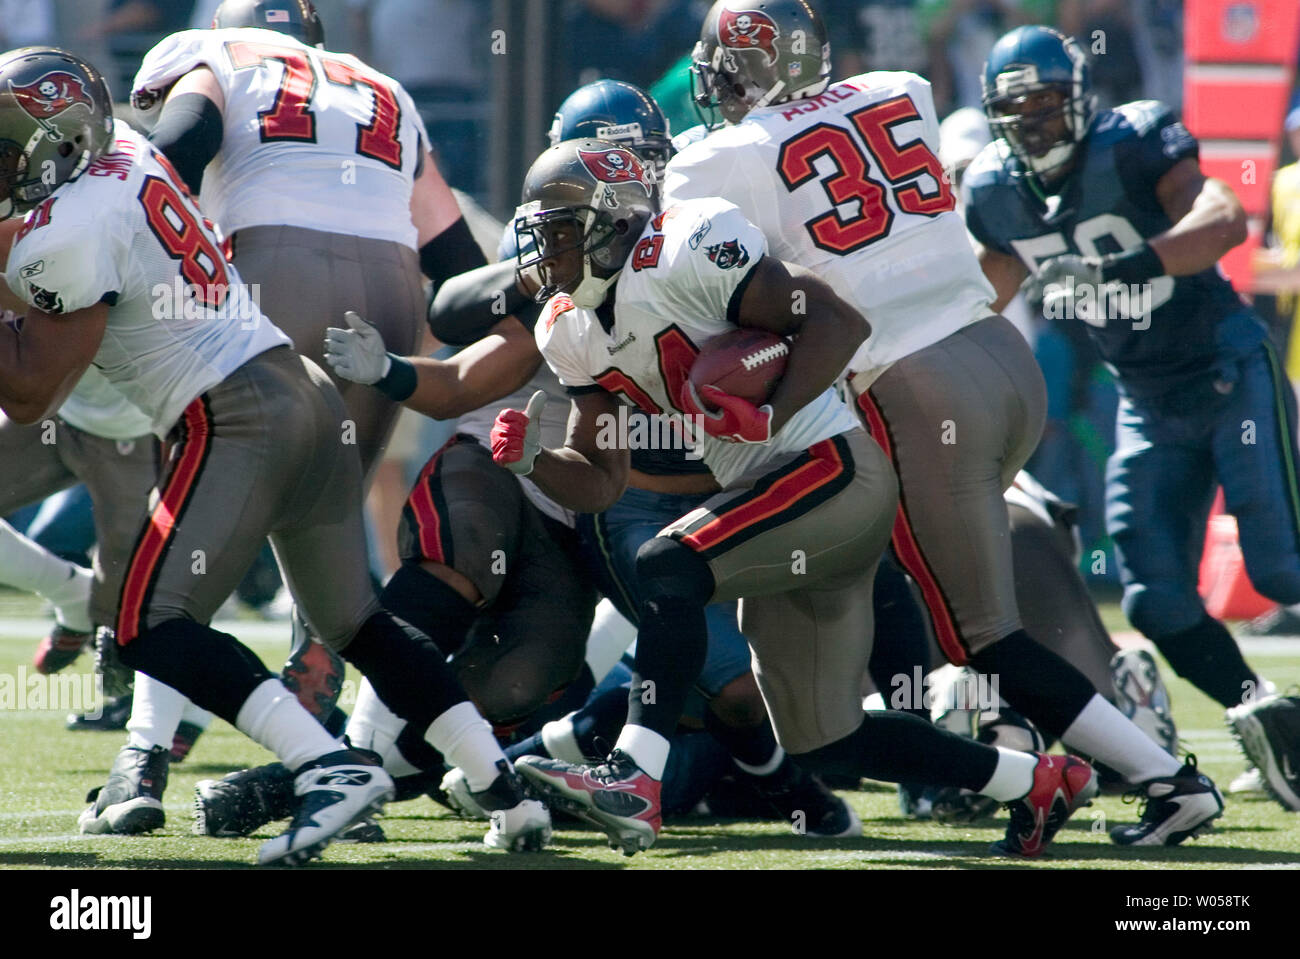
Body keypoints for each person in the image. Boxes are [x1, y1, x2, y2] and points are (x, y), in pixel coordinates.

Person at [661, 0, 1223, 844]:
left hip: (919, 390)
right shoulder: (898, 89)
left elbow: (711, 279)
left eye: (723, 68)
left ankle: (1164, 778)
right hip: (1000, 356)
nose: (716, 87)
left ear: (745, 65)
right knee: (931, 587)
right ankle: (1014, 743)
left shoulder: (717, 157)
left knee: (979, 629)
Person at [0, 46, 546, 862]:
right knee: (353, 622)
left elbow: (30, 391)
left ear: (57, 144)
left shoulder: (70, 229)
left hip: (233, 412)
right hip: (306, 391)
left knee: (149, 623)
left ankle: (326, 765)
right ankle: (504, 787)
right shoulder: (127, 155)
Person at [496, 135, 1100, 858]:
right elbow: (600, 482)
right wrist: (536, 461)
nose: (549, 254)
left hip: (831, 468)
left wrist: (771, 412)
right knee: (822, 736)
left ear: (615, 219)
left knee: (667, 563)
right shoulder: (567, 329)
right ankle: (1035, 780)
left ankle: (635, 774)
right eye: (544, 235)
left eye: (562, 232)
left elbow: (840, 322)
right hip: (777, 506)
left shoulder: (687, 246)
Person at [94, 0, 490, 792]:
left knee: (189, 535)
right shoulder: (382, 88)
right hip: (389, 299)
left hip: (271, 273)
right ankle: (355, 750)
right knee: (327, 534)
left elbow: (180, 145)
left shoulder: (219, 54)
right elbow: (457, 260)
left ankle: (144, 754)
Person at [965, 23, 1300, 813]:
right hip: (1146, 400)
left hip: (1227, 372)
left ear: (1079, 98)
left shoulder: (1135, 140)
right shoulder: (993, 191)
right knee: (1153, 596)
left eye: (1047, 102)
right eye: (1016, 109)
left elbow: (1222, 221)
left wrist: (1125, 265)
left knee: (1282, 567)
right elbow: (978, 306)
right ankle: (1270, 715)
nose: (1034, 122)